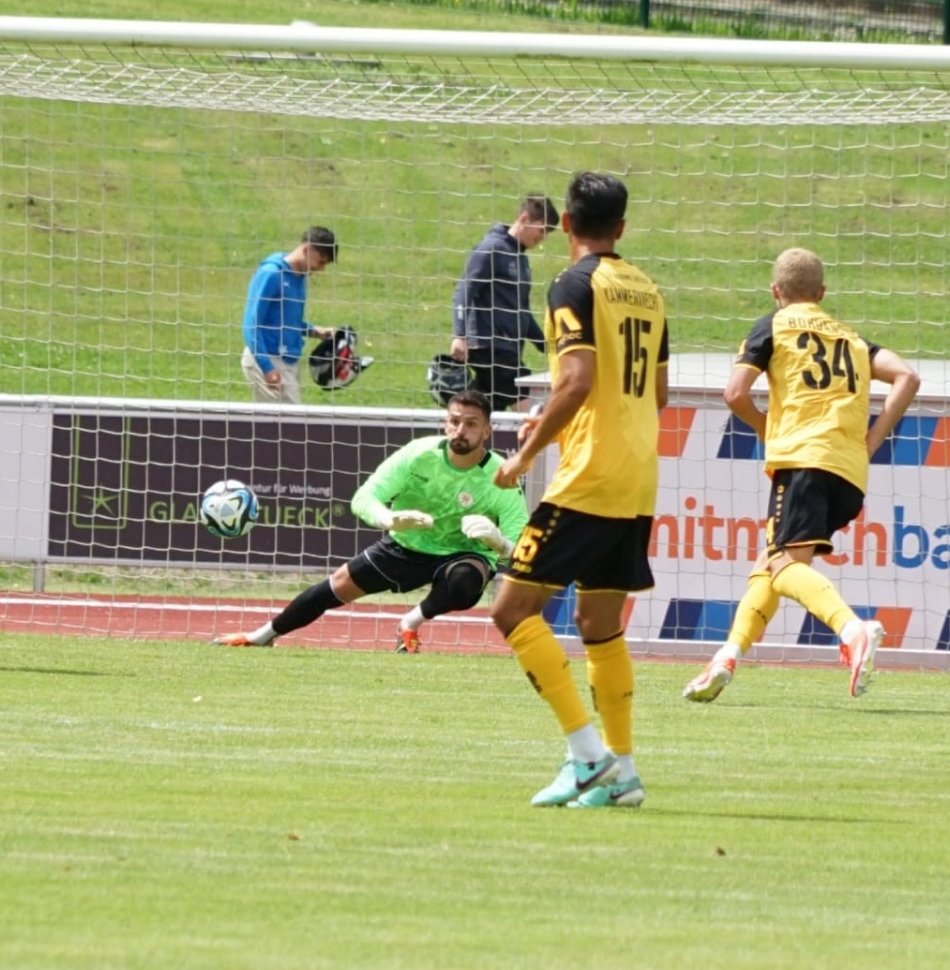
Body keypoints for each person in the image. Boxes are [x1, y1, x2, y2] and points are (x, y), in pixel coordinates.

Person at [489, 171, 667, 810]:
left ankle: (588, 757)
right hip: (637, 476)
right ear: (621, 227)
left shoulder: (572, 283)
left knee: (512, 611)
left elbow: (578, 379)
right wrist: (562, 417)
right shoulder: (647, 290)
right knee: (598, 622)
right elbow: (655, 393)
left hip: (590, 476)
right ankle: (624, 773)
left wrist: (524, 454)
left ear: (565, 223)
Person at [681, 248, 920, 704]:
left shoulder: (773, 325)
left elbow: (734, 394)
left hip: (804, 461)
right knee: (771, 564)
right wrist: (872, 440)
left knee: (784, 565)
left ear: (776, 291)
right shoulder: (852, 339)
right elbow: (907, 377)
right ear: (822, 293)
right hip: (849, 473)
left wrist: (767, 428)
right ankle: (726, 658)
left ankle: (852, 630)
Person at [212, 389, 527, 652]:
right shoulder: (418, 454)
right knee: (336, 586)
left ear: (487, 431)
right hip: (405, 546)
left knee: (464, 581)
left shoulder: (502, 475)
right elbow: (363, 498)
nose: (460, 430)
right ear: (446, 424)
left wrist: (499, 543)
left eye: (471, 424)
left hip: (463, 555)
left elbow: (522, 550)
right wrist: (388, 518)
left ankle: (410, 623)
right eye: (454, 421)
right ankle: (262, 636)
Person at [451, 195, 558, 414]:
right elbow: (464, 290)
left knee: (483, 412)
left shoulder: (521, 259)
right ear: (524, 218)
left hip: (507, 350)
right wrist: (460, 335)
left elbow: (522, 313)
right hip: (491, 348)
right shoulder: (491, 248)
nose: (543, 238)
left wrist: (547, 346)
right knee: (533, 408)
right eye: (542, 230)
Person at [241, 226, 338, 403]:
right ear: (306, 250)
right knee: (288, 419)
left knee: (279, 419)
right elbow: (251, 324)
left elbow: (286, 320)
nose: (321, 269)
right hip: (267, 357)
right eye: (320, 262)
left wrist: (315, 331)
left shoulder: (299, 277)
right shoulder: (272, 274)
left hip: (287, 361)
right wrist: (266, 367)